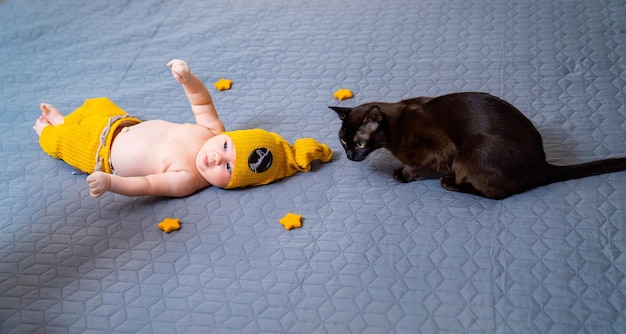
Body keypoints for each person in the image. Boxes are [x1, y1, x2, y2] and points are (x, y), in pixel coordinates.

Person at [33, 59, 333, 198]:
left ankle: (54, 127)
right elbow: (202, 103)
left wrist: (111, 183)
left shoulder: (187, 179)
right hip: (122, 123)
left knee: (63, 142)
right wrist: (188, 78)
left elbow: (147, 185)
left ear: (230, 185)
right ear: (227, 137)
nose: (217, 158)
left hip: (100, 152)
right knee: (97, 104)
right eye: (227, 148)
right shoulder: (212, 132)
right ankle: (67, 119)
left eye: (227, 168)